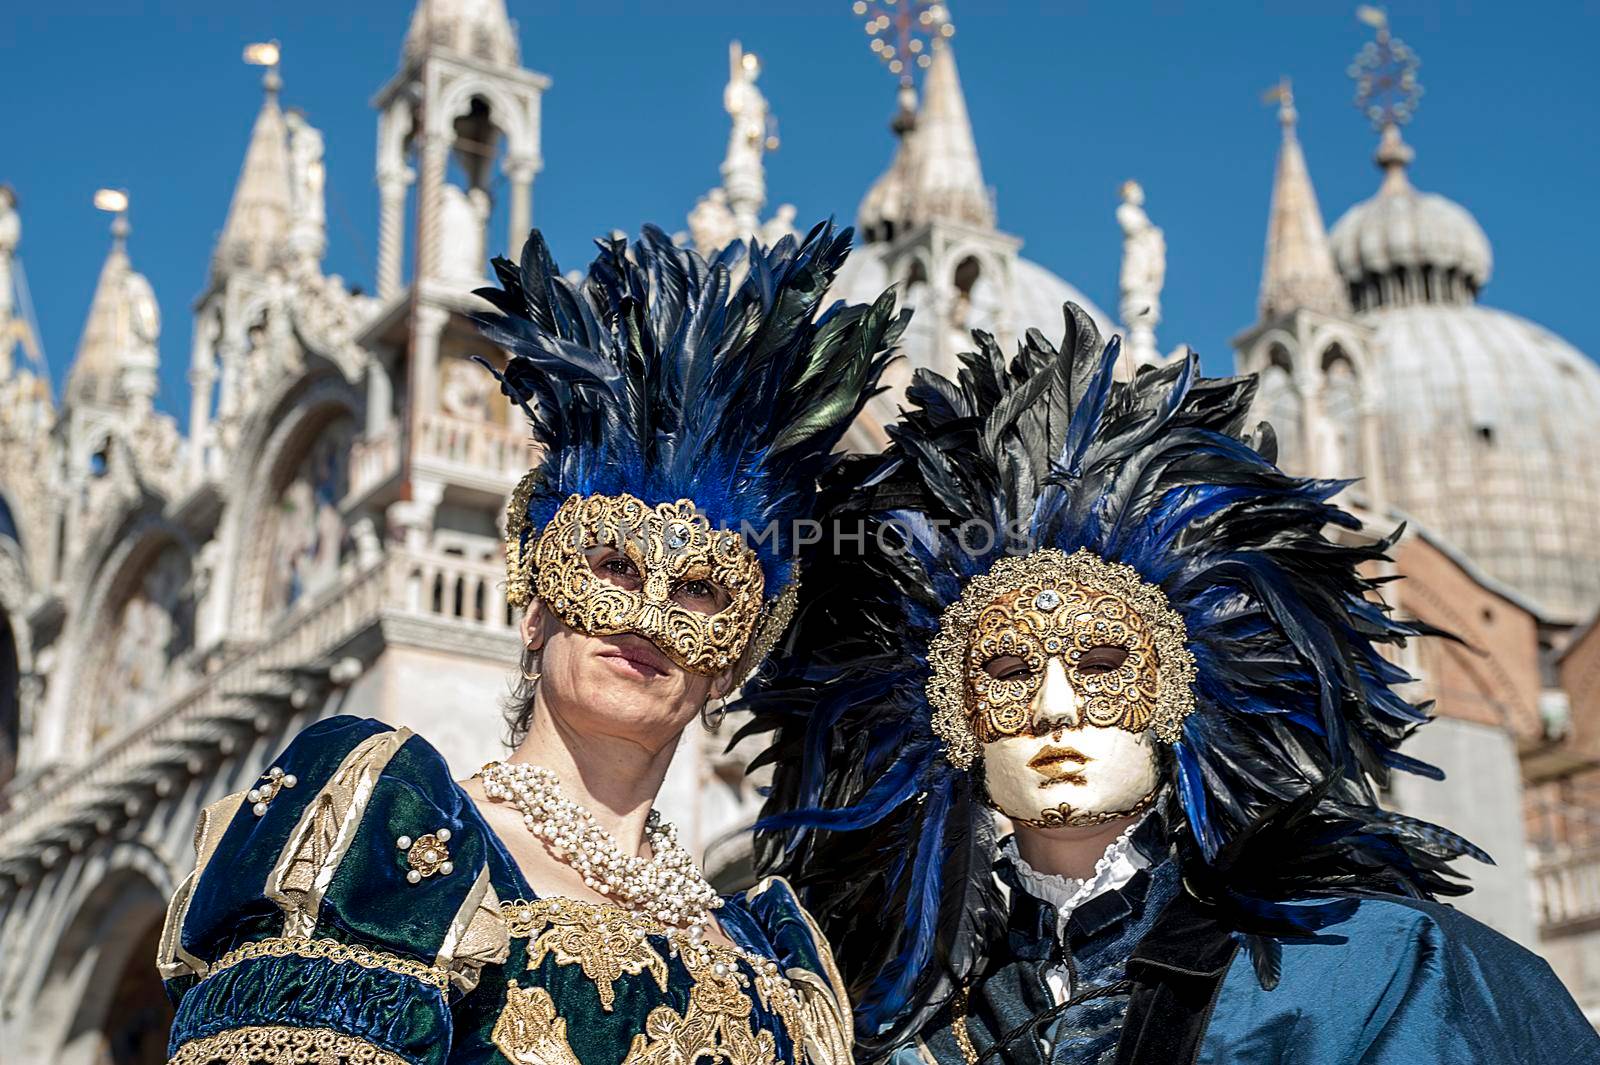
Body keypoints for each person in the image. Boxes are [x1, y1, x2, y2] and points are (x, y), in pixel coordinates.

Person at [740, 304, 1600, 1064]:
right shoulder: (895, 1018)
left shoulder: (1363, 970)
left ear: (1182, 693)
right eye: (1003, 670)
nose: (1052, 706)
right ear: (949, 716)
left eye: (1103, 663)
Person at [156, 222, 903, 1065]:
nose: (646, 616)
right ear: (534, 606)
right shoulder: (401, 844)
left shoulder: (772, 963)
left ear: (733, 660)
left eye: (701, 591)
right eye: (613, 566)